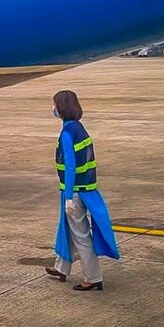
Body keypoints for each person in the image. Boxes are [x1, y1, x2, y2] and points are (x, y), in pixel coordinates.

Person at [45, 90, 119, 291]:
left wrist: (68, 196)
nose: (53, 109)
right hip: (84, 188)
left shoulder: (67, 134)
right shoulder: (78, 128)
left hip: (74, 192)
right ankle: (62, 268)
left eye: (54, 105)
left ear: (61, 107)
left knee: (81, 235)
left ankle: (93, 278)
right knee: (68, 230)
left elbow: (70, 166)